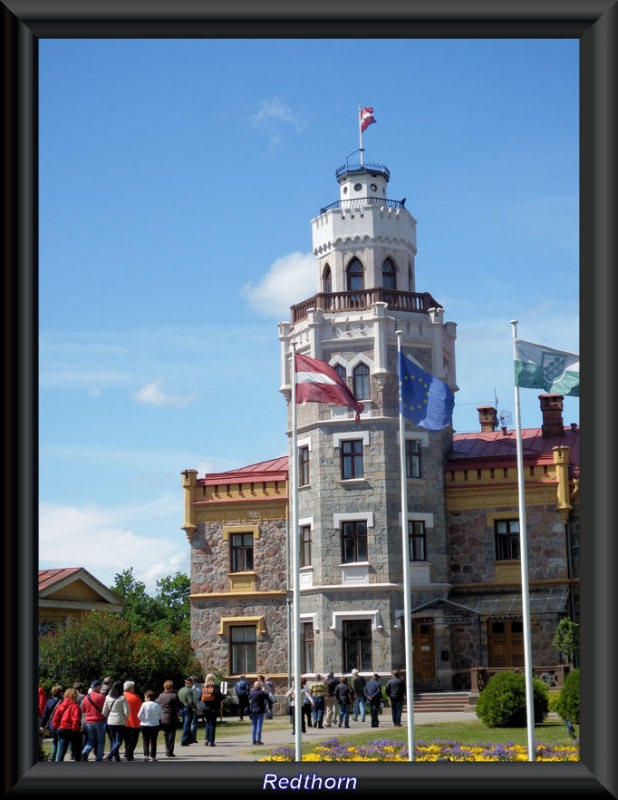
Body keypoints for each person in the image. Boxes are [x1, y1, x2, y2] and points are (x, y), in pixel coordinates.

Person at [102, 680, 130, 761]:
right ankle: (110, 755)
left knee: (114, 741)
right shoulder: (122, 698)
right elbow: (127, 711)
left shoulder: (107, 697)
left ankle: (117, 758)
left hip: (110, 721)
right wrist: (125, 719)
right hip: (120, 721)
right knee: (119, 741)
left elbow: (104, 711)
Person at [52, 687, 82, 761]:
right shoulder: (75, 706)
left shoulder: (61, 704)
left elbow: (55, 717)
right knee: (77, 749)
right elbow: (76, 719)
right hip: (71, 729)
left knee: (62, 749)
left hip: (61, 729)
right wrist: (75, 729)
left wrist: (57, 726)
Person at [80, 680, 107, 761]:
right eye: (100, 686)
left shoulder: (86, 697)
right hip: (99, 721)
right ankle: (98, 758)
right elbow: (105, 709)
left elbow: (83, 710)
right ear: (98, 687)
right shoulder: (101, 697)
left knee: (91, 740)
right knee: (100, 741)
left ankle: (85, 752)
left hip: (89, 722)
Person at [156, 679, 182, 758]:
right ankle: (170, 751)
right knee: (171, 734)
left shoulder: (161, 696)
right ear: (171, 687)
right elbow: (181, 705)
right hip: (171, 717)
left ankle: (167, 748)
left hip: (163, 717)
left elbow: (156, 703)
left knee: (166, 734)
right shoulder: (174, 696)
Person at [138, 689, 164, 761]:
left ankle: (146, 756)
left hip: (145, 724)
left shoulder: (144, 704)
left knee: (145, 740)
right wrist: (156, 718)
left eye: (145, 697)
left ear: (148, 697)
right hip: (155, 725)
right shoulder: (157, 705)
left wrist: (143, 719)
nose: (144, 699)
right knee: (153, 741)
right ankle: (153, 756)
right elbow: (162, 716)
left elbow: (139, 715)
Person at [41, 685, 63, 761]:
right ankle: (58, 758)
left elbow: (45, 715)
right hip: (60, 724)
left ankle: (52, 756)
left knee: (55, 740)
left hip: (51, 725)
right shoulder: (63, 702)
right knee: (60, 741)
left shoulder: (49, 702)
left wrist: (42, 725)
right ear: (60, 692)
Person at [200, 672, 223, 746]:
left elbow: (198, 698)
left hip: (204, 708)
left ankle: (206, 739)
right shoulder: (215, 688)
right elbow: (220, 697)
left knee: (208, 722)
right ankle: (211, 741)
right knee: (212, 724)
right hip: (213, 708)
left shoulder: (203, 688)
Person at [122, 680, 143, 761]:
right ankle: (128, 753)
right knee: (133, 740)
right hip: (134, 721)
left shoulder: (121, 696)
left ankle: (129, 753)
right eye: (133, 687)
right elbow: (140, 709)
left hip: (124, 721)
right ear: (130, 688)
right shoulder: (135, 697)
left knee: (126, 739)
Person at [178, 677, 199, 747]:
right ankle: (184, 741)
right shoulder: (188, 691)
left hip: (181, 709)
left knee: (185, 724)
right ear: (188, 683)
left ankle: (188, 739)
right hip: (187, 708)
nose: (192, 684)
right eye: (191, 683)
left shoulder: (180, 690)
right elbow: (190, 701)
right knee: (187, 725)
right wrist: (196, 708)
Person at [248, 680, 269, 746]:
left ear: (254, 686)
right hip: (260, 710)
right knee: (259, 725)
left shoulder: (251, 692)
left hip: (253, 710)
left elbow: (249, 698)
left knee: (254, 725)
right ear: (260, 686)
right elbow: (267, 697)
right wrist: (263, 690)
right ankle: (258, 740)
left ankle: (253, 740)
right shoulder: (261, 693)